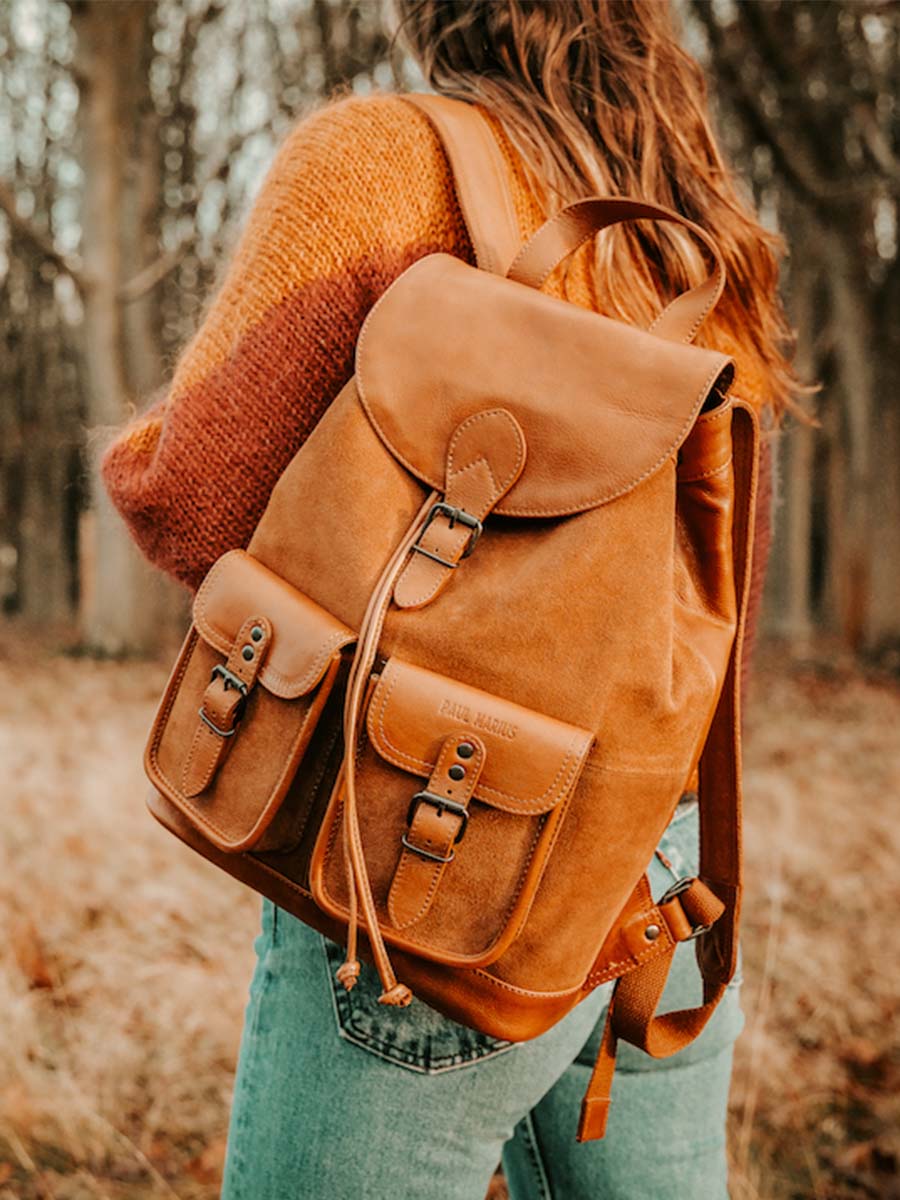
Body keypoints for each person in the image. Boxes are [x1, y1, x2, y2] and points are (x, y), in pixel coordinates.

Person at [103, 3, 798, 1197]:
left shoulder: (380, 159)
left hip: (429, 847)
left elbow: (198, 503)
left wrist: (143, 452)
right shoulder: (698, 231)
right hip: (661, 883)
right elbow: (712, 595)